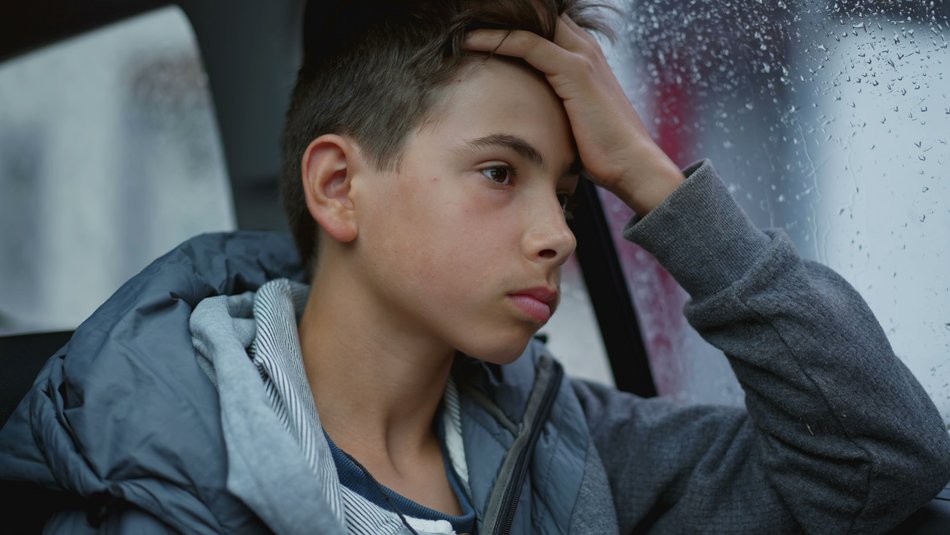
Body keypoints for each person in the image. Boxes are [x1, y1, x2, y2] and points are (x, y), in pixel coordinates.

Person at [1, 0, 948, 533]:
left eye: (575, 190)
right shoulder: (139, 467)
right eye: (501, 171)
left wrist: (658, 184)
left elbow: (882, 460)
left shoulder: (577, 452)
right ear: (338, 187)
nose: (561, 234)